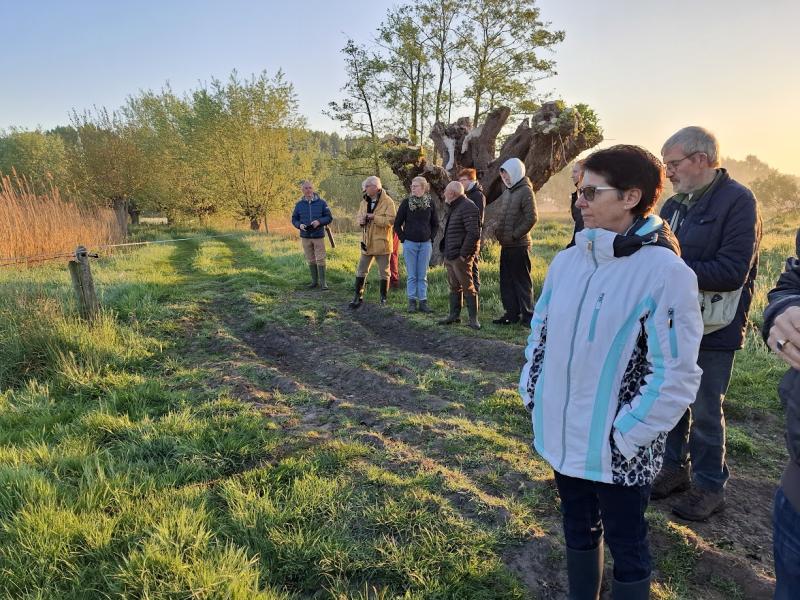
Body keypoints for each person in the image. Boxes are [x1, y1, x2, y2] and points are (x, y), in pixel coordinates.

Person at [519, 145, 704, 600]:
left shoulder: (665, 273)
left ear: (630, 197)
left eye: (590, 191)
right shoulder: (567, 262)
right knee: (576, 527)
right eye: (578, 190)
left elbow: (675, 372)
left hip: (618, 448)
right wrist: (533, 392)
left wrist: (627, 434)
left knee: (628, 543)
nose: (578, 200)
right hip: (562, 433)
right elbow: (540, 333)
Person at [653, 126, 762, 521]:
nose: (669, 174)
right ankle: (672, 468)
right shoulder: (673, 206)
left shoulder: (739, 201)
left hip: (716, 328)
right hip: (675, 322)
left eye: (674, 164)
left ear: (702, 160)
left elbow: (733, 270)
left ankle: (709, 485)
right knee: (671, 398)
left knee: (703, 407)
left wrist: (671, 271)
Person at [762, 230, 800, 600]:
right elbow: (792, 281)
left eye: (593, 192)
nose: (582, 201)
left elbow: (730, 268)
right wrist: (783, 309)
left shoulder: (737, 202)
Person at [492, 157, 537, 326]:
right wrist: (498, 231)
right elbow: (503, 217)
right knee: (506, 281)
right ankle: (511, 314)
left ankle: (528, 316)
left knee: (522, 281)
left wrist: (514, 235)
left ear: (516, 172)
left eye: (507, 175)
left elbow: (532, 218)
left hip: (519, 245)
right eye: (503, 176)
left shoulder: (526, 191)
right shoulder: (508, 191)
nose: (505, 178)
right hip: (507, 245)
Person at [438, 181, 481, 329]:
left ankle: (473, 320)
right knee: (454, 286)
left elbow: (474, 233)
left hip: (460, 256)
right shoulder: (455, 206)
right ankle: (454, 316)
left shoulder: (468, 206)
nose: (444, 194)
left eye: (446, 191)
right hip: (450, 254)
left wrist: (463, 254)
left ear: (452, 194)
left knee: (468, 286)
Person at [349, 176, 396, 309]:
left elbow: (390, 221)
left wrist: (374, 217)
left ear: (375, 187)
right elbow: (359, 217)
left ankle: (383, 299)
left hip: (382, 243)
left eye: (366, 187)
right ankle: (357, 297)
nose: (364, 190)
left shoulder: (388, 202)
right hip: (367, 243)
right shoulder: (364, 201)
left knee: (384, 272)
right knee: (361, 270)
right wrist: (361, 221)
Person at [394, 176, 439, 313]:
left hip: (425, 245)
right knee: (412, 275)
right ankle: (412, 302)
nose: (412, 188)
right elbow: (397, 224)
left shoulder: (430, 203)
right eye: (412, 186)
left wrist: (430, 238)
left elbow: (435, 224)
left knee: (422, 275)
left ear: (423, 188)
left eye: (416, 186)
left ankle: (423, 302)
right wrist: (404, 239)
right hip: (410, 244)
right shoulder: (406, 203)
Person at [291, 180, 333, 290]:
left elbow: (329, 217)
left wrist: (319, 222)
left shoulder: (322, 203)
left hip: (318, 235)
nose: (308, 190)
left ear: (313, 189)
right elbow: (294, 219)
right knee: (310, 259)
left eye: (310, 188)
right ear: (302, 190)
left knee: (321, 259)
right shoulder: (299, 205)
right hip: (305, 236)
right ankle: (314, 282)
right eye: (306, 188)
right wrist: (299, 225)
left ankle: (323, 283)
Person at [457, 168, 486, 294]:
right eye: (459, 180)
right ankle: (468, 293)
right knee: (467, 267)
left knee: (472, 265)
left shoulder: (477, 195)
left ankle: (475, 293)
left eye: (463, 180)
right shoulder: (467, 194)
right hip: (464, 235)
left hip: (472, 236)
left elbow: (478, 218)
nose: (461, 183)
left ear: (472, 180)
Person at [567, 159, 586, 248]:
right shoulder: (578, 194)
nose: (572, 176)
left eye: (575, 172)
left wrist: (573, 246)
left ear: (584, 173)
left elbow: (582, 227)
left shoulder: (588, 197)